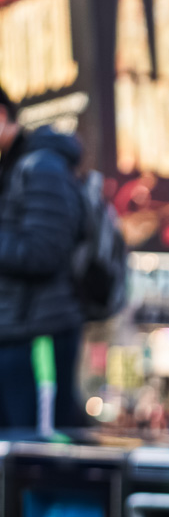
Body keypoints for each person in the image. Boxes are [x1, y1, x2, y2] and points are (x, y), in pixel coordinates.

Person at [0, 85, 85, 433]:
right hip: (14, 334)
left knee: (41, 455)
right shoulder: (14, 168)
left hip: (39, 337)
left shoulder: (41, 166)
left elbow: (44, 251)